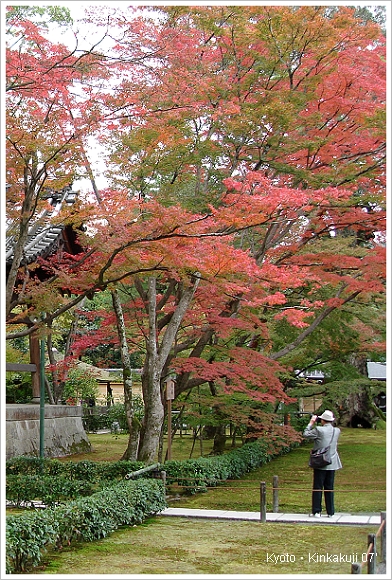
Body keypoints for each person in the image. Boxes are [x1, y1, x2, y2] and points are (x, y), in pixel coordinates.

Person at [303, 409, 342, 518]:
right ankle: (330, 511)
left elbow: (305, 434)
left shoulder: (319, 430)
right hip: (332, 462)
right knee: (329, 487)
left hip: (321, 461)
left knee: (318, 487)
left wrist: (311, 423)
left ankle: (317, 511)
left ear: (323, 420)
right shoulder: (337, 431)